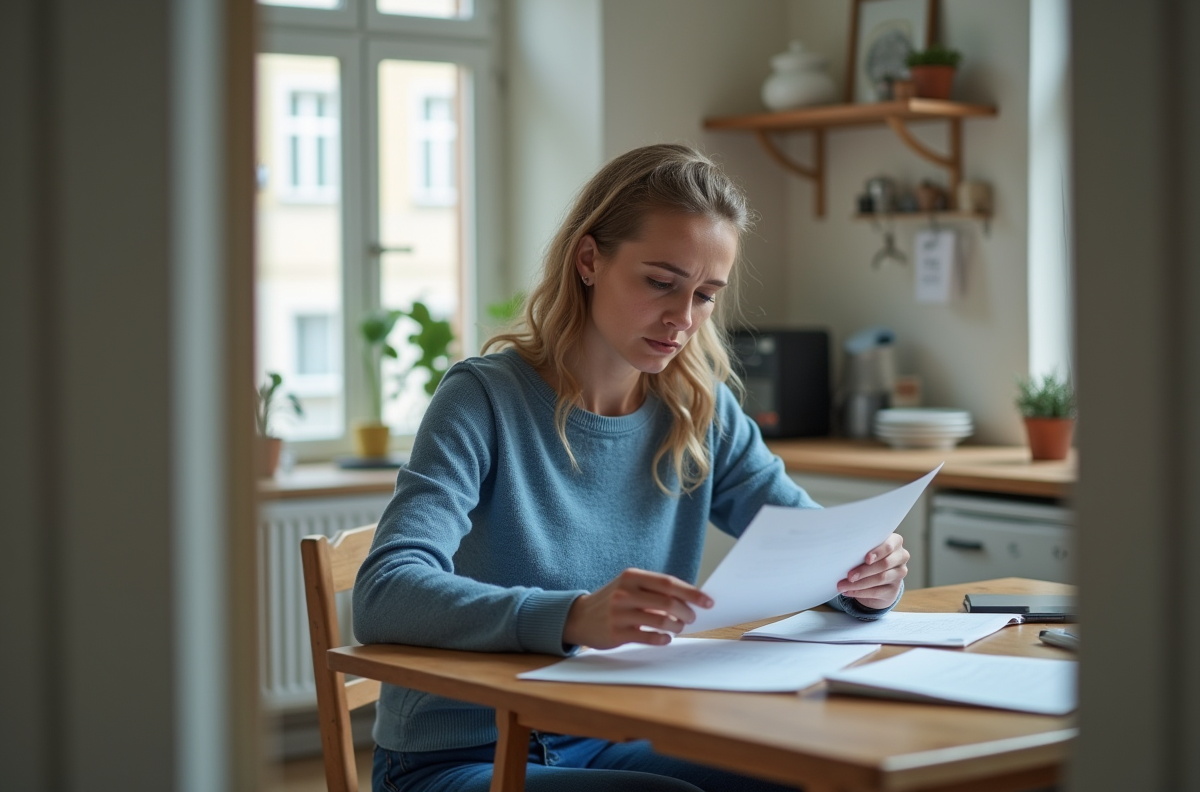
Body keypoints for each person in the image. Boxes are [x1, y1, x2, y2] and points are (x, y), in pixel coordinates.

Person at [354, 143, 909, 792]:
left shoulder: (700, 410)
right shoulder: (483, 398)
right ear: (589, 260)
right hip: (464, 752)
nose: (683, 318)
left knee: (813, 778)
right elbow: (384, 592)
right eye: (660, 282)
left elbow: (813, 542)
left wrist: (866, 576)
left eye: (705, 295)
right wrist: (572, 616)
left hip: (610, 732)